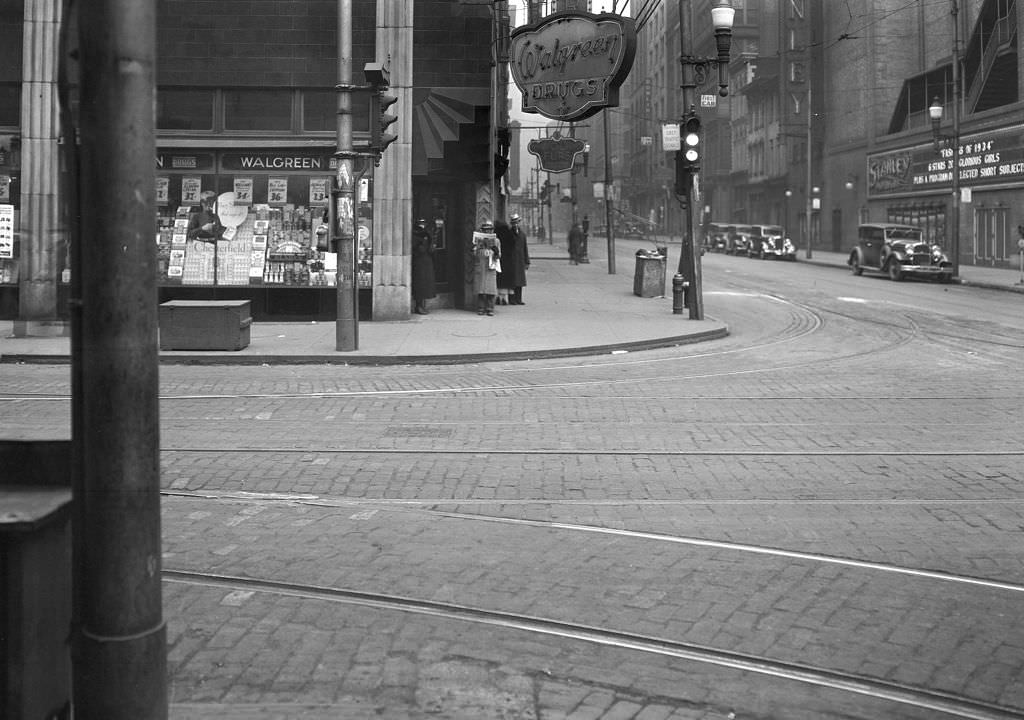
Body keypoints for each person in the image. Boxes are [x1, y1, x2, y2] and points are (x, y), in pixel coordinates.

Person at [472, 220, 500, 316]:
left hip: (490, 267)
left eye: (489, 230)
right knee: (480, 289)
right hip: (481, 266)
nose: (487, 232)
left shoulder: (496, 241)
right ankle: (480, 308)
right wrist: (476, 247)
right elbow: (474, 254)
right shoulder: (479, 240)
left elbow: (499, 255)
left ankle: (490, 308)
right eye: (485, 230)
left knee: (490, 289)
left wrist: (496, 252)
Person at [501, 213, 530, 305]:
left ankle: (519, 299)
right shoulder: (509, 234)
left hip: (520, 260)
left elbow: (525, 248)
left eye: (517, 222)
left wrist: (527, 261)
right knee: (512, 281)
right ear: (511, 224)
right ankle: (512, 299)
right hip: (511, 261)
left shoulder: (522, 234)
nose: (515, 224)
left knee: (520, 281)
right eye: (514, 223)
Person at [411, 218, 436, 315]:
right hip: (419, 261)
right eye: (421, 224)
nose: (423, 226)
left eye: (424, 224)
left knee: (425, 284)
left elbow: (431, 248)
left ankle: (422, 305)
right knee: (420, 283)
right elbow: (417, 248)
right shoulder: (415, 234)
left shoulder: (427, 234)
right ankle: (418, 305)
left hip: (426, 260)